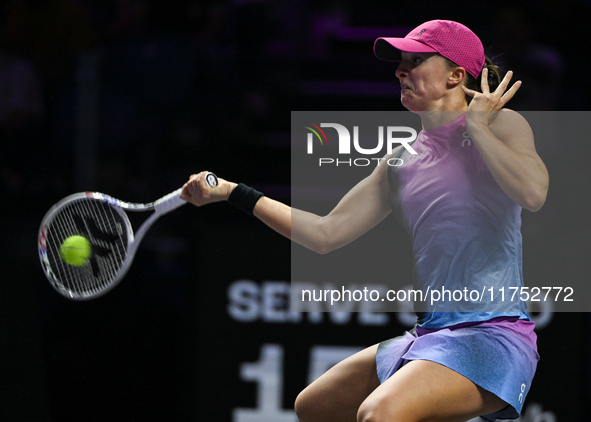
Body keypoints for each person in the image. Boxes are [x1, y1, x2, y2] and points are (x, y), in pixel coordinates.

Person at [181, 20, 549, 422]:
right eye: (400, 62)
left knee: (379, 414)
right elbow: (326, 233)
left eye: (416, 60)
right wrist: (233, 192)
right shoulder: (398, 162)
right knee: (315, 407)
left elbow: (532, 195)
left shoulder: (503, 126)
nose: (399, 71)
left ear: (456, 76)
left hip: (493, 334)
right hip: (430, 336)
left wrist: (477, 127)